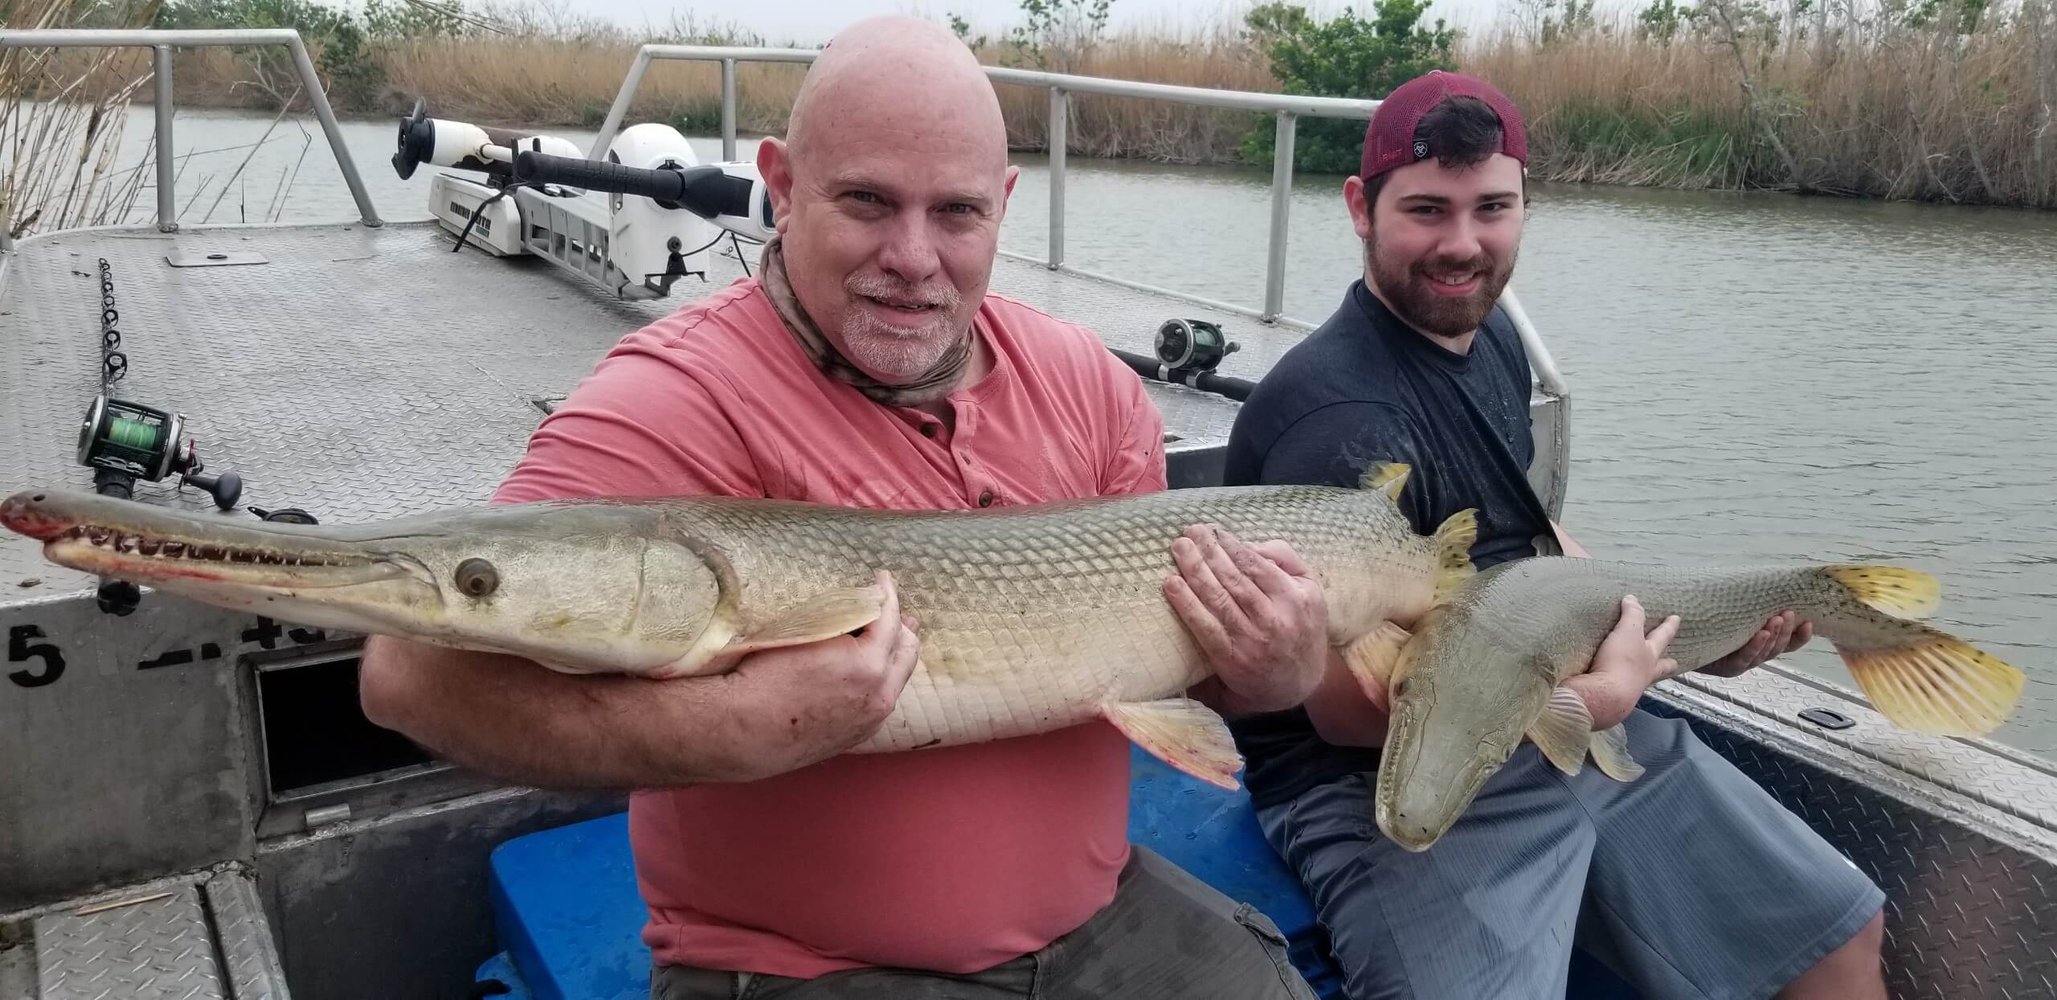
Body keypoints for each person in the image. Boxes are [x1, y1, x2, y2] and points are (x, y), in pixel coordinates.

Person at [359, 15, 1330, 1000]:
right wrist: (731, 730)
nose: (912, 256)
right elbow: (410, 675)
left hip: (1103, 924)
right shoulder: (675, 397)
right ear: (780, 186)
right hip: (812, 971)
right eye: (866, 201)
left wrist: (1275, 673)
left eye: (955, 213)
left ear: (1001, 206)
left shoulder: (1088, 384)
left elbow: (1177, 670)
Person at [1220, 69, 1889, 1000]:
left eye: (1491, 208)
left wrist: (1684, 642)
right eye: (1427, 210)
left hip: (1552, 696)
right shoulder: (1336, 420)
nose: (1462, 245)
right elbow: (1350, 708)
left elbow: (1530, 542)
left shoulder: (1485, 334)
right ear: (1358, 208)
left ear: (1527, 204)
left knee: (1838, 934)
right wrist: (1598, 698)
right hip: (1382, 774)